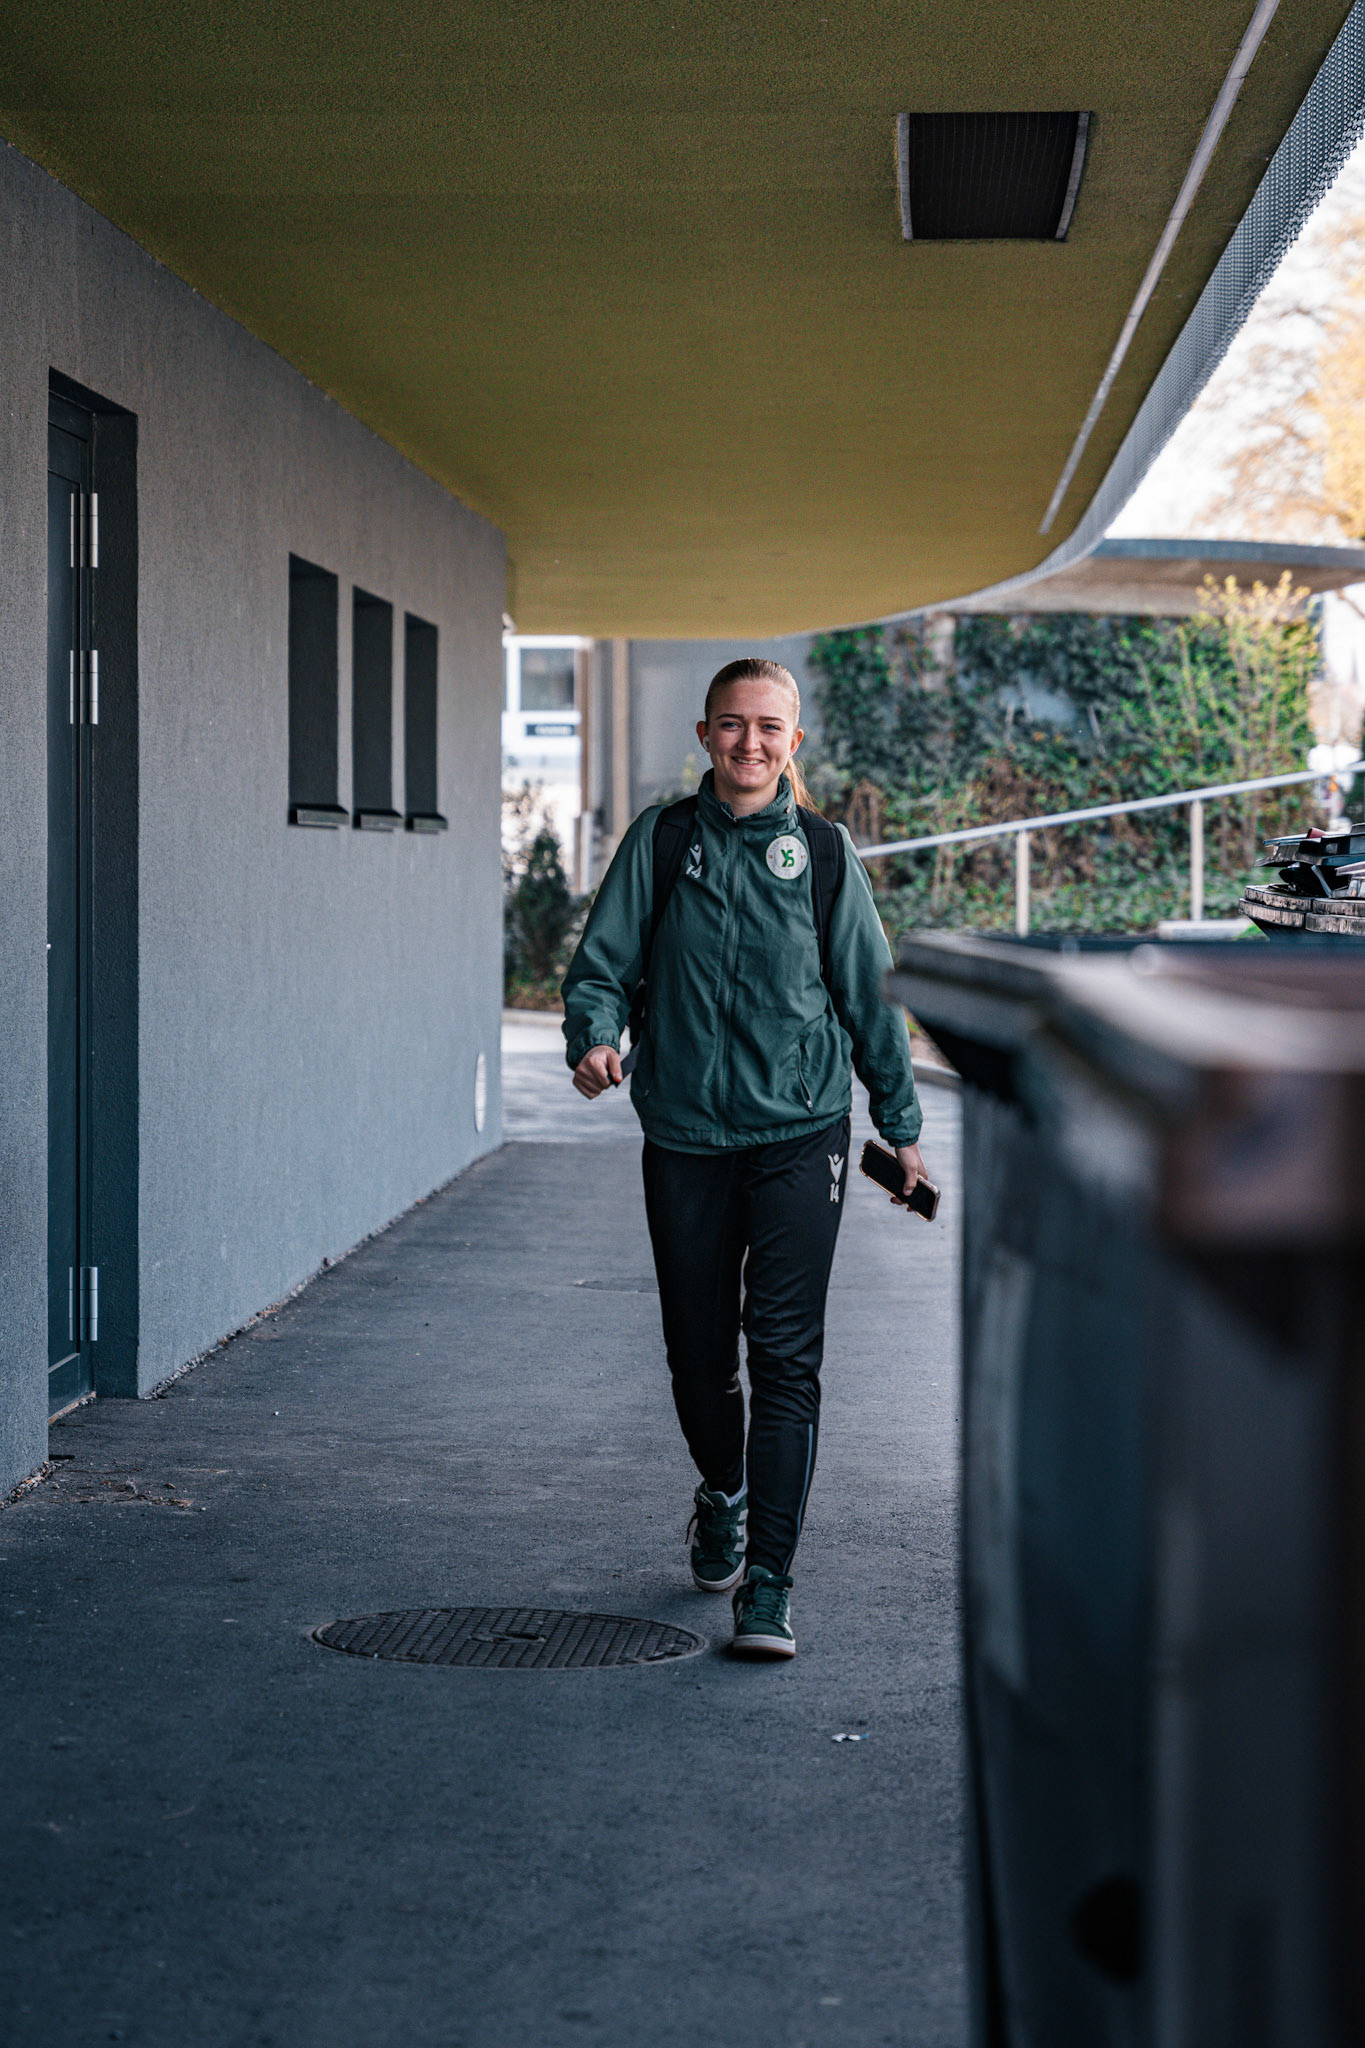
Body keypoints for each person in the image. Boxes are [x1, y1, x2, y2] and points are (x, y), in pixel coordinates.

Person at [561, 658, 928, 1659]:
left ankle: (768, 1582)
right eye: (732, 725)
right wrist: (594, 1034)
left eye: (769, 727)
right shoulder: (663, 839)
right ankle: (721, 1491)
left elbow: (868, 990)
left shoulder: (821, 851)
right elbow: (603, 964)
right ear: (705, 733)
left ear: (794, 743)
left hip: (799, 1135)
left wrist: (899, 1121)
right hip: (682, 1133)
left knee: (785, 1356)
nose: (750, 743)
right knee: (696, 1355)